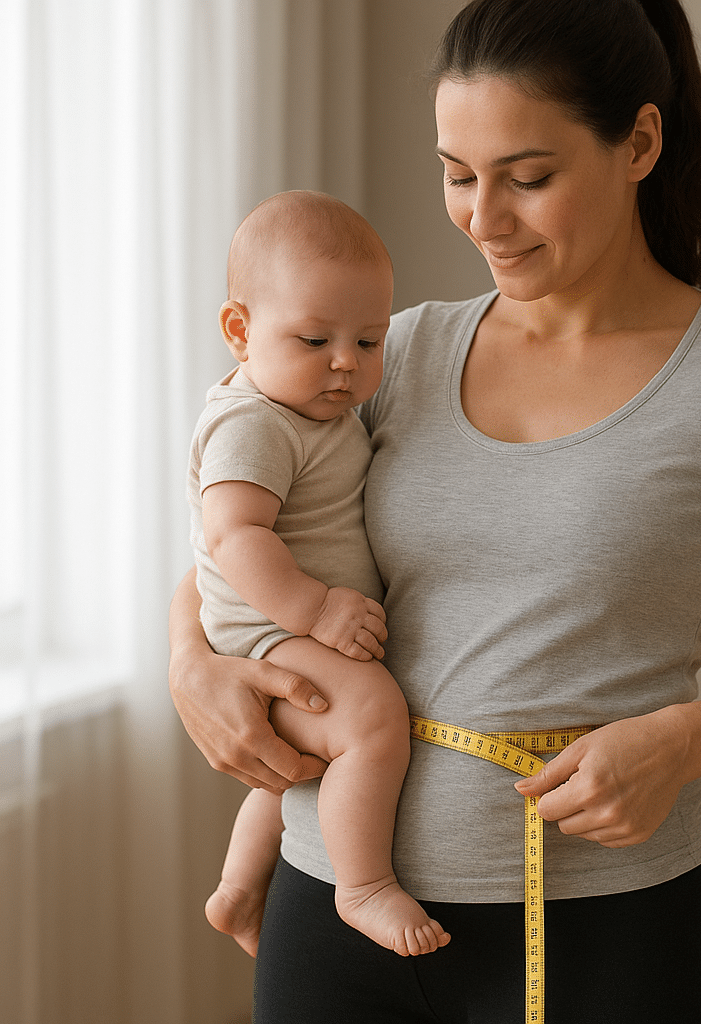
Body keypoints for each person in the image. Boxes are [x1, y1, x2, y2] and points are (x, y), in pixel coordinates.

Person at [169, 2, 701, 1021]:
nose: (484, 216)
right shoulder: (392, 353)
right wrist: (192, 667)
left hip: (607, 927)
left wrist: (680, 741)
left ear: (639, 144)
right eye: (456, 173)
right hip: (333, 911)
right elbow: (239, 534)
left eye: (528, 178)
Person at [187, 190, 449, 958]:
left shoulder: (312, 409)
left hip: (282, 626)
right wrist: (317, 610)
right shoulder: (252, 423)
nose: (345, 364)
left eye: (369, 342)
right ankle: (362, 886)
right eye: (313, 339)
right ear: (240, 330)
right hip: (270, 626)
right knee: (370, 716)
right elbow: (232, 535)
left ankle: (239, 889)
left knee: (303, 764)